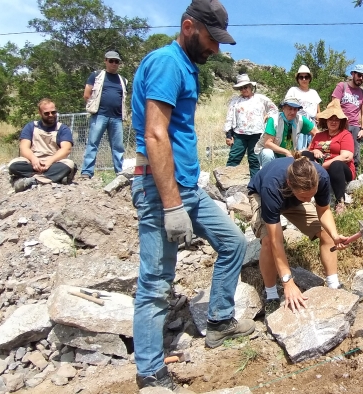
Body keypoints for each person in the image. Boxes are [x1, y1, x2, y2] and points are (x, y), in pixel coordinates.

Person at [130, 1, 254, 390]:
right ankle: (151, 372)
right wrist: (171, 206)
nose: (216, 50)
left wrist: (186, 194)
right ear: (188, 26)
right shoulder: (167, 63)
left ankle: (218, 321)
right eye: (211, 40)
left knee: (233, 243)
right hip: (161, 190)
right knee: (155, 282)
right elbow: (155, 134)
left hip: (187, 188)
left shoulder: (185, 66)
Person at [247, 154, 357, 315]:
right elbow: (277, 241)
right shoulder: (271, 186)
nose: (308, 200)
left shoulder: (320, 177)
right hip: (262, 197)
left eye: (312, 195)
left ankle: (334, 286)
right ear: (290, 184)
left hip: (292, 199)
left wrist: (334, 235)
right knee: (269, 242)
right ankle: (271, 296)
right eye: (305, 197)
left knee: (326, 235)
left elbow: (324, 210)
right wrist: (288, 283)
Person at [9, 99, 76, 192]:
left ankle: (32, 180)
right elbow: (24, 147)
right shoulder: (31, 126)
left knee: (69, 165)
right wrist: (33, 160)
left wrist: (50, 161)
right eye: (47, 113)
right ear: (40, 113)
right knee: (14, 165)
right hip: (33, 161)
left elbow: (66, 149)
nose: (51, 115)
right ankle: (55, 177)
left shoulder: (62, 128)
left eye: (53, 112)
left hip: (54, 162)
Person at [80, 50, 127, 179]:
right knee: (93, 143)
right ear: (105, 61)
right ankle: (87, 172)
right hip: (99, 115)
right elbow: (87, 94)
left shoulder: (123, 80)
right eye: (111, 61)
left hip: (117, 118)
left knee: (118, 147)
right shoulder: (96, 75)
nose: (114, 64)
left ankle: (120, 172)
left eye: (116, 61)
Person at [303, 101, 355, 214]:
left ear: (341, 122)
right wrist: (315, 150)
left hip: (340, 170)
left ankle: (340, 202)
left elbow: (347, 156)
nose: (333, 122)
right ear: (325, 120)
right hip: (319, 168)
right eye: (330, 119)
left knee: (336, 165)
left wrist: (321, 166)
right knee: (305, 156)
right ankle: (304, 196)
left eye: (337, 119)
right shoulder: (318, 135)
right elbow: (308, 152)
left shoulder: (345, 134)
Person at [224, 74, 278, 178]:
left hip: (257, 134)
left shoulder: (261, 98)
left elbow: (274, 109)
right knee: (234, 157)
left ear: (251, 87)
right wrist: (228, 135)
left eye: (246, 87)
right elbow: (229, 117)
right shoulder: (235, 101)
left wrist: (268, 115)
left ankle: (255, 185)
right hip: (239, 134)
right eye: (241, 88)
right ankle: (225, 181)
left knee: (254, 160)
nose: (244, 90)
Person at [255, 96, 318, 169]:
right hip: (271, 152)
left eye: (295, 109)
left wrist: (310, 148)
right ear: (283, 108)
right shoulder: (273, 119)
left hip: (289, 154)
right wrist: (286, 152)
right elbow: (267, 143)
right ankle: (266, 175)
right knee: (267, 153)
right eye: (290, 109)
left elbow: (317, 133)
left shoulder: (300, 120)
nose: (292, 112)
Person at [331, 64, 363, 172]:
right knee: (337, 151)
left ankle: (353, 178)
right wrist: (340, 121)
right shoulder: (342, 86)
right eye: (359, 75)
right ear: (353, 74)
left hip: (355, 127)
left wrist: (362, 129)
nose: (361, 78)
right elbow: (334, 105)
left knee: (355, 155)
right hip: (341, 125)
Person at [285, 65, 322, 150]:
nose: (304, 79)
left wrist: (319, 118)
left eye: (306, 77)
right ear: (298, 79)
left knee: (312, 147)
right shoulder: (293, 90)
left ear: (310, 79)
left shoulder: (314, 92)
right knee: (297, 147)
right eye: (301, 77)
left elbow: (317, 108)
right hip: (297, 121)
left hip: (312, 123)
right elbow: (287, 105)